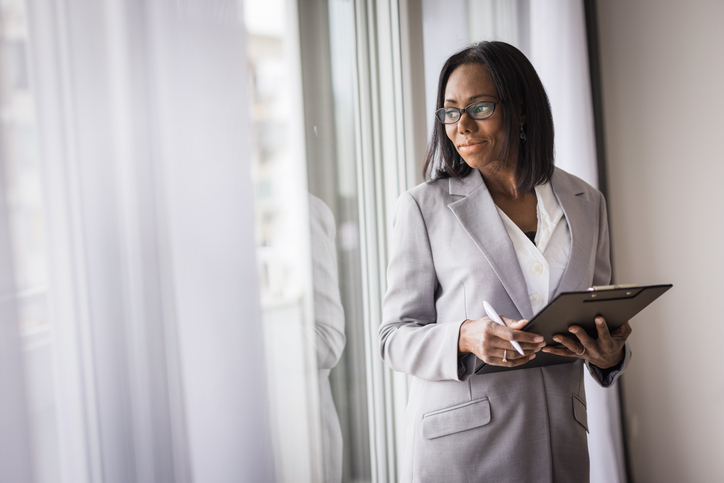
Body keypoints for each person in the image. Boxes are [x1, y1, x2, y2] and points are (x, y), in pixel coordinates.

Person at [379, 41, 631, 483]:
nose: (461, 126)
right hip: (465, 453)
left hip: (560, 447)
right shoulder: (423, 207)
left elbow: (598, 315)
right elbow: (393, 337)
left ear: (520, 111)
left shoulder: (587, 202)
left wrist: (609, 355)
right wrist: (464, 336)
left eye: (478, 107)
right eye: (449, 111)